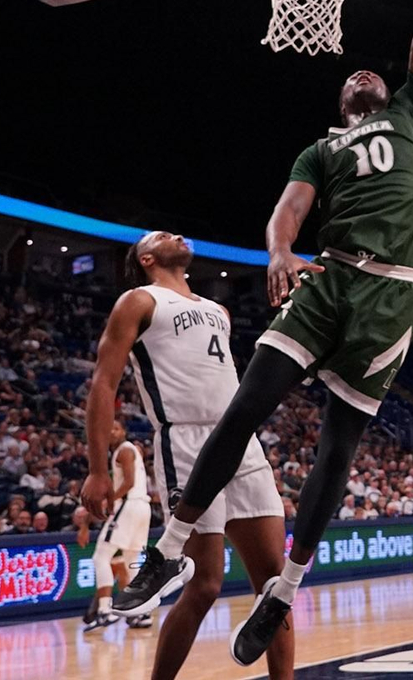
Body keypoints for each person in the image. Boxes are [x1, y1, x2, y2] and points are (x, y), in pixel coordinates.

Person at [112, 0, 413, 669]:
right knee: (248, 403)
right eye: (350, 77)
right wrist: (279, 250)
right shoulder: (320, 147)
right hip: (328, 276)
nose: (363, 75)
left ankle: (286, 589)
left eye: (373, 73)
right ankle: (168, 550)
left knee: (338, 448)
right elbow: (287, 210)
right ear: (340, 104)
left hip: (393, 293)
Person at [82, 231, 292, 679]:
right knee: (205, 585)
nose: (176, 234)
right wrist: (97, 469)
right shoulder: (138, 301)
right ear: (148, 257)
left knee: (275, 588)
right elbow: (103, 383)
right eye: (162, 235)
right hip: (185, 443)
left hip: (241, 442)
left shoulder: (217, 310)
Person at [81, 421, 154, 632]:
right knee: (130, 561)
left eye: (115, 428)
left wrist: (110, 502)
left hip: (130, 505)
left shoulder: (124, 450)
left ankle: (104, 610)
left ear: (123, 431)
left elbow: (129, 483)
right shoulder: (130, 451)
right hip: (142, 507)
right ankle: (140, 612)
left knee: (101, 556)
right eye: (108, 428)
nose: (111, 432)